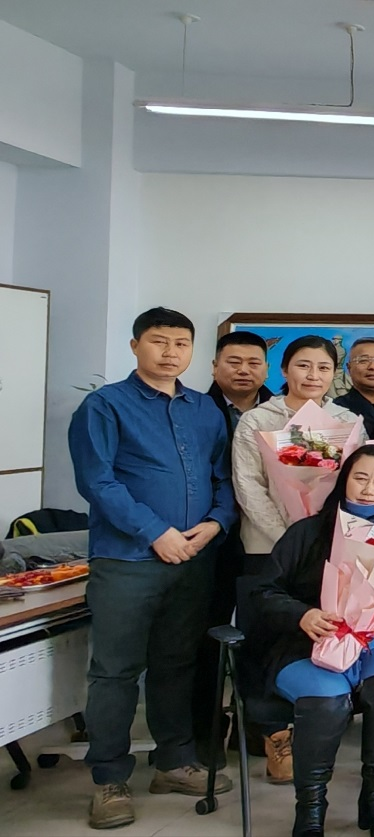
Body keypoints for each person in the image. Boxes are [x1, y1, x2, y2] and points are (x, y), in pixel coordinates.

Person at [68, 308, 236, 830]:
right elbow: (97, 482)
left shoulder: (205, 409)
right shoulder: (105, 405)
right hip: (128, 561)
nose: (170, 352)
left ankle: (173, 762)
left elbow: (223, 477)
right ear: (135, 345)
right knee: (115, 672)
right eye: (159, 341)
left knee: (176, 663)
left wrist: (216, 523)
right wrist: (155, 532)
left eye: (181, 343)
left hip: (194, 558)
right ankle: (109, 779)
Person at [252, 445, 374, 837]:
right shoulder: (308, 532)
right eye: (360, 478)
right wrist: (303, 614)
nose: (369, 488)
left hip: (373, 643)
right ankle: (310, 811)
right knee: (328, 701)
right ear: (344, 480)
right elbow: (263, 592)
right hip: (305, 647)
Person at [233, 336, 360, 776]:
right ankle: (274, 735)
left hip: (327, 550)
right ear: (284, 371)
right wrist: (291, 537)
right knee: (265, 636)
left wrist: (320, 538)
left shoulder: (348, 421)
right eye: (303, 366)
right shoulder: (257, 420)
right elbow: (248, 485)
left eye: (323, 368)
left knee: (317, 636)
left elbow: (355, 483)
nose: (313, 375)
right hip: (267, 546)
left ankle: (316, 724)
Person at [194, 330, 274, 768]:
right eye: (233, 361)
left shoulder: (283, 412)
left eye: (253, 362)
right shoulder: (194, 410)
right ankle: (205, 732)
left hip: (268, 542)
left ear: (267, 369)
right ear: (214, 366)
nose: (244, 370)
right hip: (212, 540)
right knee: (208, 637)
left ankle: (260, 728)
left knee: (263, 636)